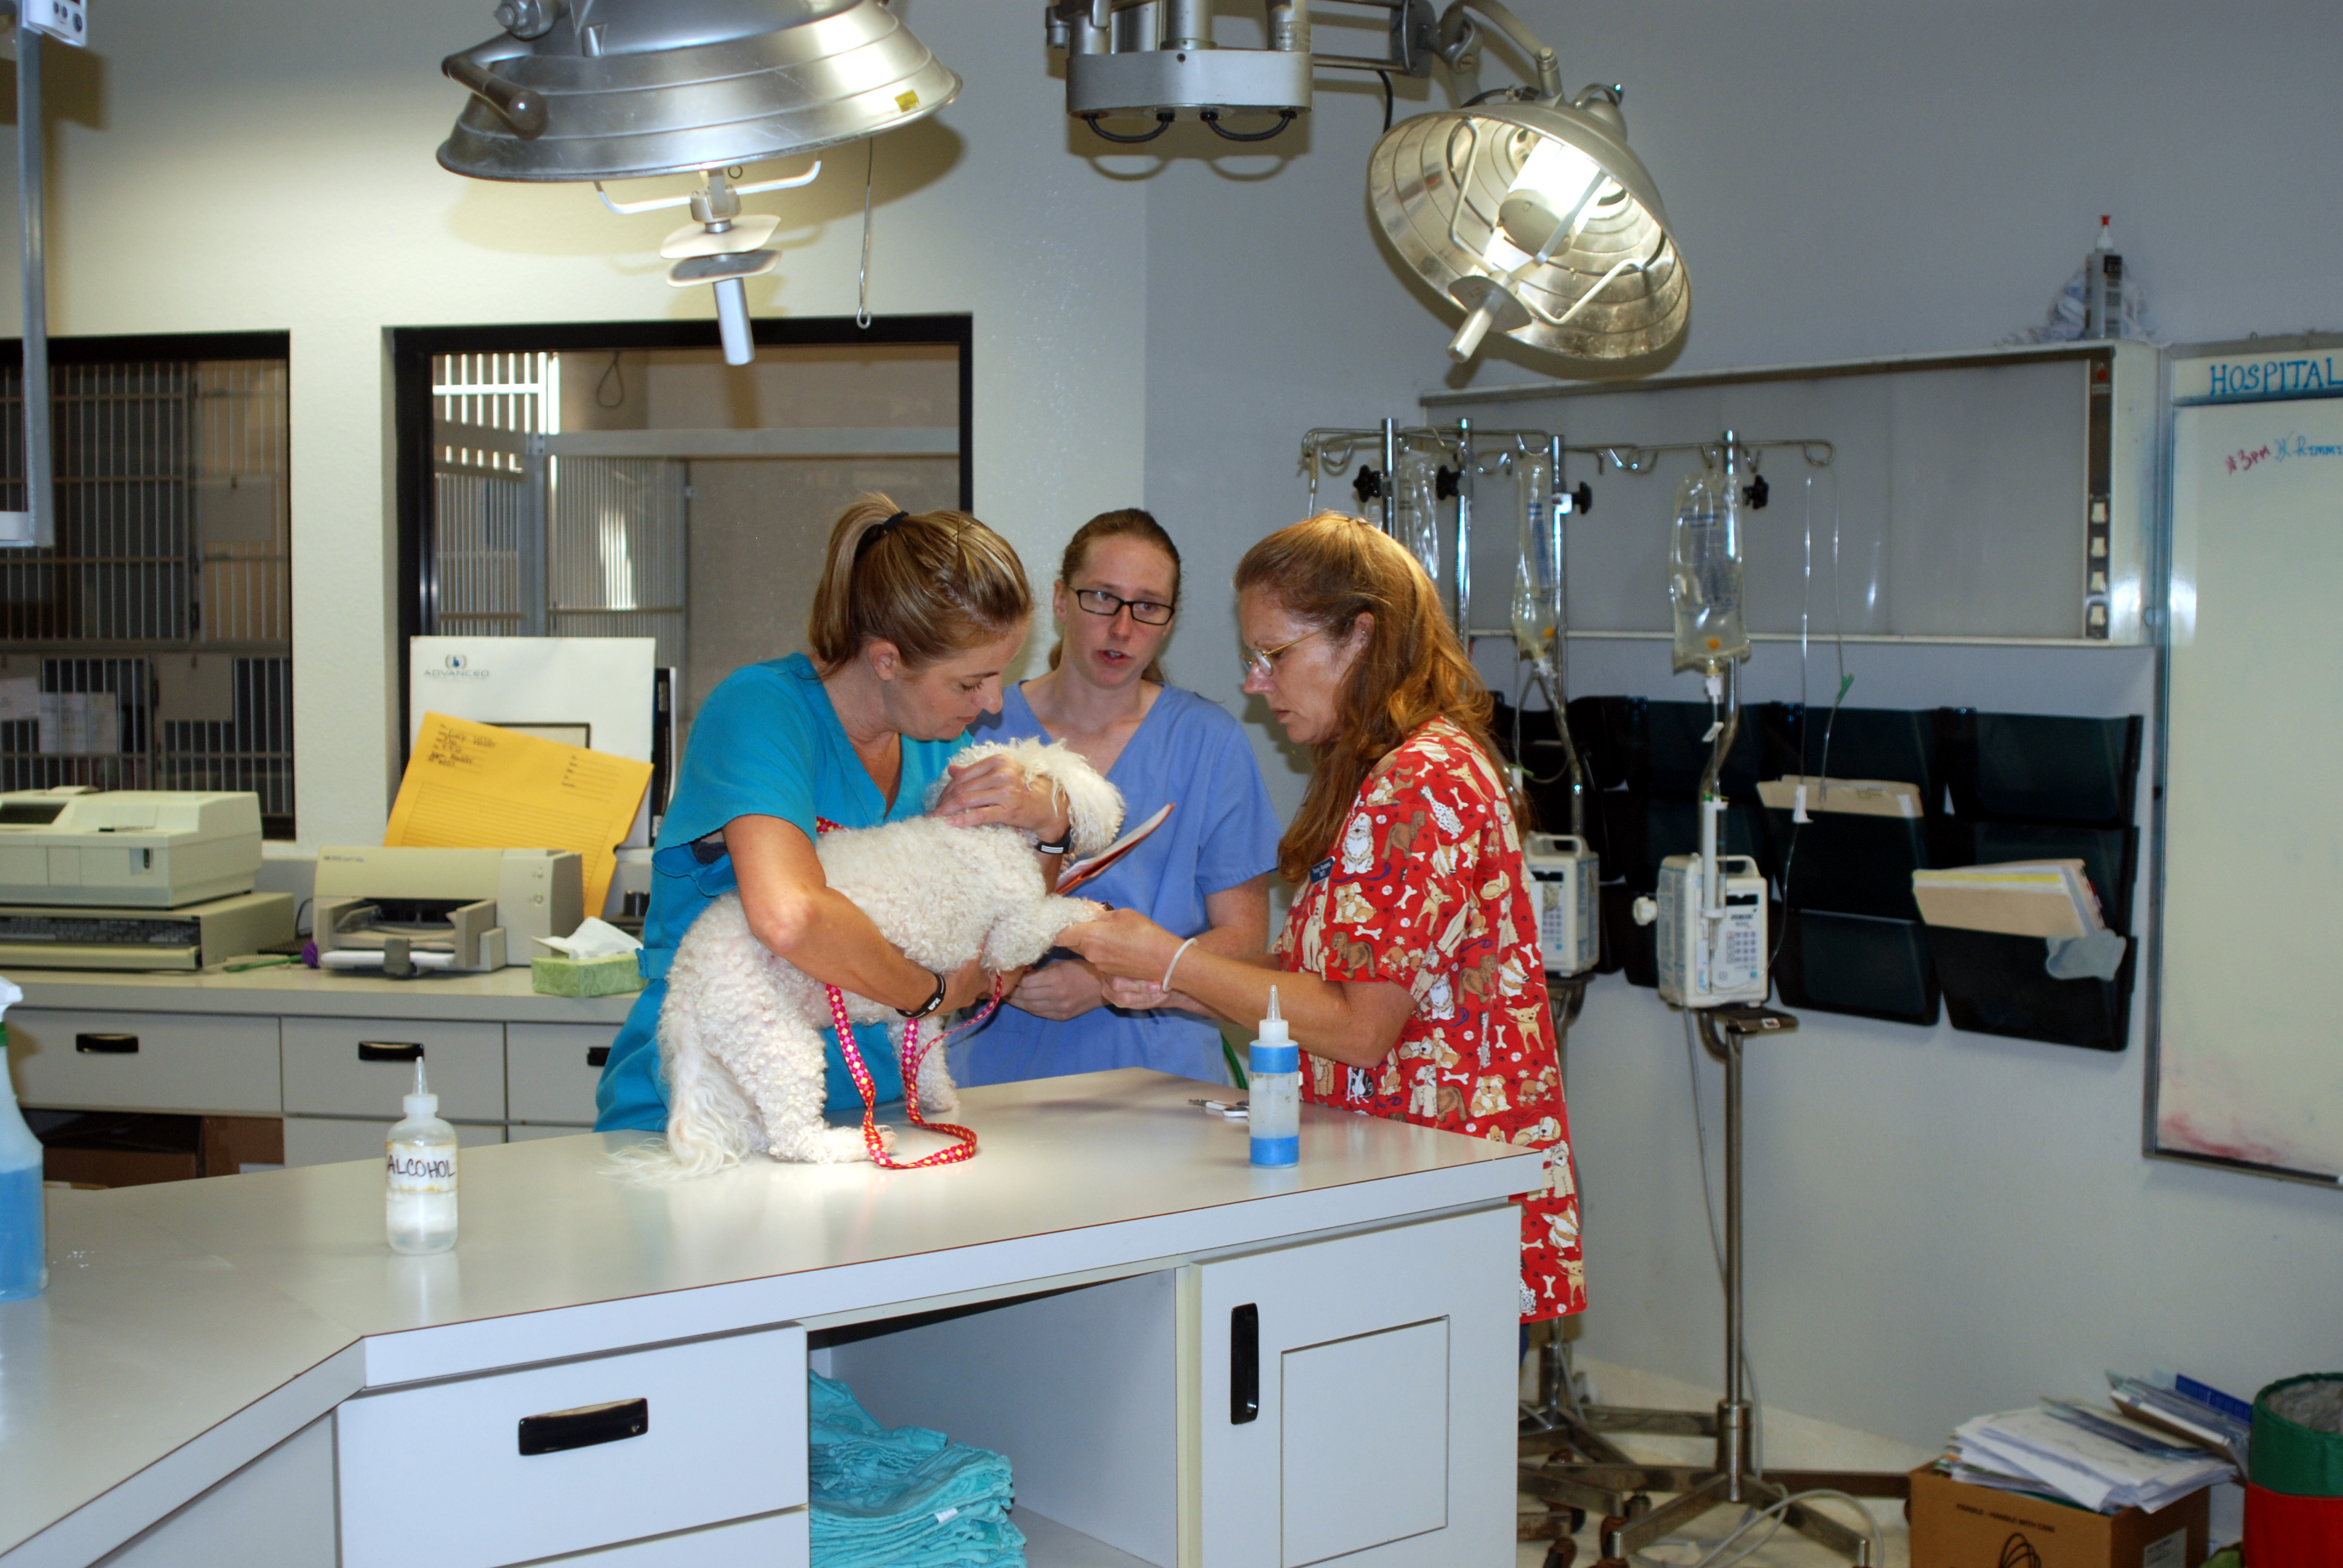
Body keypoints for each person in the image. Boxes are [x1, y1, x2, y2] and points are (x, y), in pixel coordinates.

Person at [1062, 512, 1584, 1323]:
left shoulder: (1425, 782)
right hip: (1393, 1178)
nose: (1254, 683)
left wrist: (1174, 962)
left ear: (1361, 640)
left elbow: (1357, 1028)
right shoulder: (1377, 775)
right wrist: (1170, 988)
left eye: (1274, 656)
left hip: (1436, 1194)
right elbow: (1324, 977)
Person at [594, 496, 1074, 1137]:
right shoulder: (761, 713)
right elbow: (790, 916)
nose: (991, 705)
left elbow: (1000, 952)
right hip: (719, 1110)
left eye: (998, 677)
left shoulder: (940, 745)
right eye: (969, 683)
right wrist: (926, 991)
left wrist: (1049, 835)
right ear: (885, 660)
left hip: (876, 1115)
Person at [951, 509, 1279, 1087]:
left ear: (1169, 622)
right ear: (1059, 600)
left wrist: (1109, 983)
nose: (1123, 628)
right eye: (1102, 598)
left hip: (1161, 1082)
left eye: (1148, 606)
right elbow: (926, 906)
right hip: (992, 1077)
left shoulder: (1208, 743)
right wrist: (1003, 969)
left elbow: (1244, 940)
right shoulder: (977, 723)